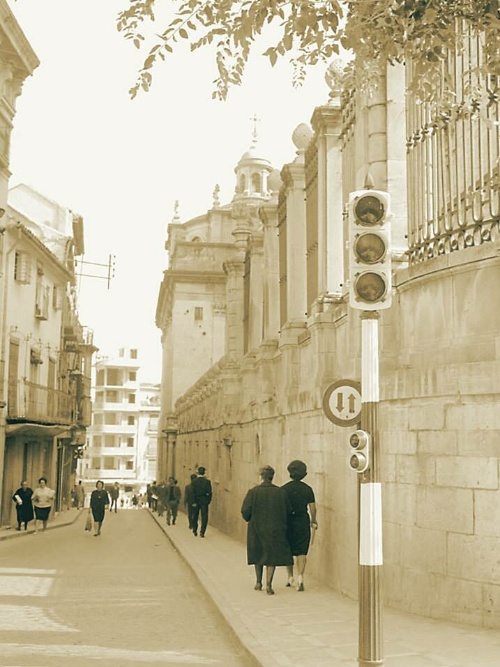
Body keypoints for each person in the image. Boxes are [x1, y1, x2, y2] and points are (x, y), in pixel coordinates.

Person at [241, 465, 293, 595]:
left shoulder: (253, 492)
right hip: (275, 529)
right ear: (272, 477)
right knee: (271, 556)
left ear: (261, 477)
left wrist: (250, 518)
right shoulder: (281, 492)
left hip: (257, 528)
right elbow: (288, 511)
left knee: (258, 554)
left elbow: (245, 511)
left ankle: (258, 582)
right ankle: (269, 584)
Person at [281, 460, 317, 592]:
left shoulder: (284, 489)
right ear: (304, 474)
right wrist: (314, 520)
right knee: (302, 550)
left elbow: (281, 507)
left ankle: (290, 577)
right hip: (302, 520)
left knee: (288, 550)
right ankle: (300, 576)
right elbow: (313, 508)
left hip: (288, 521)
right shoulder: (307, 489)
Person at [191, 466, 212, 537]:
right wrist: (208, 501)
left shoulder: (194, 481)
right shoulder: (207, 482)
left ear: (198, 473)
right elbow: (210, 493)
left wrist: (193, 501)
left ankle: (194, 529)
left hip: (196, 500)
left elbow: (192, 492)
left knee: (195, 516)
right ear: (204, 473)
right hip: (204, 501)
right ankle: (202, 532)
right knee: (204, 517)